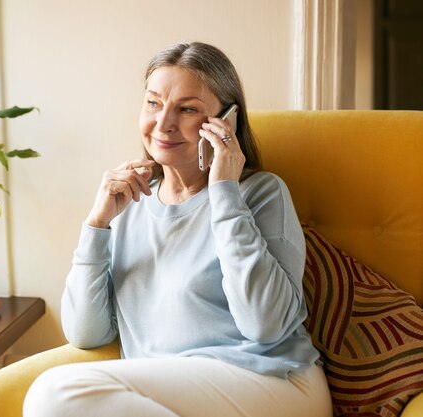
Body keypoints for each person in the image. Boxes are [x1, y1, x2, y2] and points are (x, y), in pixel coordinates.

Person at [23, 42, 332, 417]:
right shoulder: (129, 203)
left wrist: (224, 192)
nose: (163, 123)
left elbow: (265, 325)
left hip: (275, 382)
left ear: (227, 122)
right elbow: (86, 334)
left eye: (187, 109)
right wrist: (97, 225)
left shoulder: (261, 193)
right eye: (153, 103)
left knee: (53, 393)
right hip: (171, 395)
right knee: (52, 397)